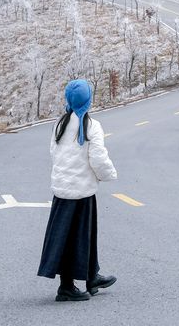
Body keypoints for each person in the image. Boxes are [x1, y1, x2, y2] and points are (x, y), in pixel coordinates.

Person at [37, 78, 117, 301]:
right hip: (82, 192)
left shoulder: (59, 125)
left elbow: (54, 153)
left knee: (71, 236)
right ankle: (66, 288)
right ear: (88, 101)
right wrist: (108, 175)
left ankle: (92, 277)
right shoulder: (91, 126)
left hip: (62, 191)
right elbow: (98, 158)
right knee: (79, 237)